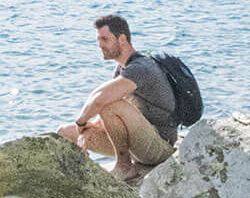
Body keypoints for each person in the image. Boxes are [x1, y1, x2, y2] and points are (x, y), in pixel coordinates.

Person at [60, 14, 179, 182]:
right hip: (136, 142)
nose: (100, 45)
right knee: (65, 132)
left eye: (105, 39)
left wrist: (81, 122)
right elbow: (114, 115)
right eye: (98, 40)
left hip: (158, 146)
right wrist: (86, 131)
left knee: (108, 104)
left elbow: (101, 99)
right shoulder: (122, 69)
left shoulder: (141, 68)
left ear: (122, 39)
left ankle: (124, 167)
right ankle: (79, 178)